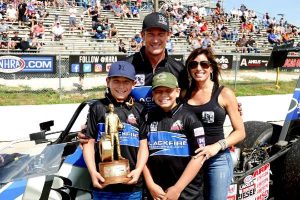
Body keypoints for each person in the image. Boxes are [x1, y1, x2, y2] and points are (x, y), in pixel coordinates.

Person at [184, 48, 246, 200]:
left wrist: (217, 146)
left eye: (204, 64)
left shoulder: (224, 93)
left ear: (211, 67)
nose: (199, 68)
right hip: (189, 158)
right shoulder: (183, 94)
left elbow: (240, 132)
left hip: (216, 159)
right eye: (193, 64)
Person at [82, 61, 148, 199]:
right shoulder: (97, 107)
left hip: (132, 187)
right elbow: (88, 142)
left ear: (134, 84)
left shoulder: (140, 109)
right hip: (103, 185)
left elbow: (143, 145)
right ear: (108, 81)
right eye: (116, 81)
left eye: (126, 82)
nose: (121, 86)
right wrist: (93, 172)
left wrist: (138, 170)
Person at [141, 72, 206, 199]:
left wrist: (177, 189)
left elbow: (200, 156)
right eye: (158, 91)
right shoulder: (147, 119)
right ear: (153, 95)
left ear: (177, 92)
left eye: (168, 90)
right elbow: (142, 155)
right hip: (157, 193)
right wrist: (150, 184)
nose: (163, 95)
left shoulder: (190, 118)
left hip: (187, 193)